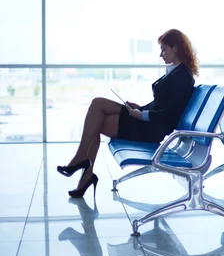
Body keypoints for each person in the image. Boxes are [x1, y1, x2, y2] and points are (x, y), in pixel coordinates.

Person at [56, 29, 198, 197]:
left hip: (150, 130)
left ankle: (82, 163)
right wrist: (140, 108)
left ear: (176, 48)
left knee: (97, 108)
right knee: (97, 111)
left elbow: (171, 114)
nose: (161, 54)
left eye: (164, 49)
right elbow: (161, 104)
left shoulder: (182, 76)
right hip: (147, 123)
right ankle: (84, 171)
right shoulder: (176, 72)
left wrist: (142, 115)